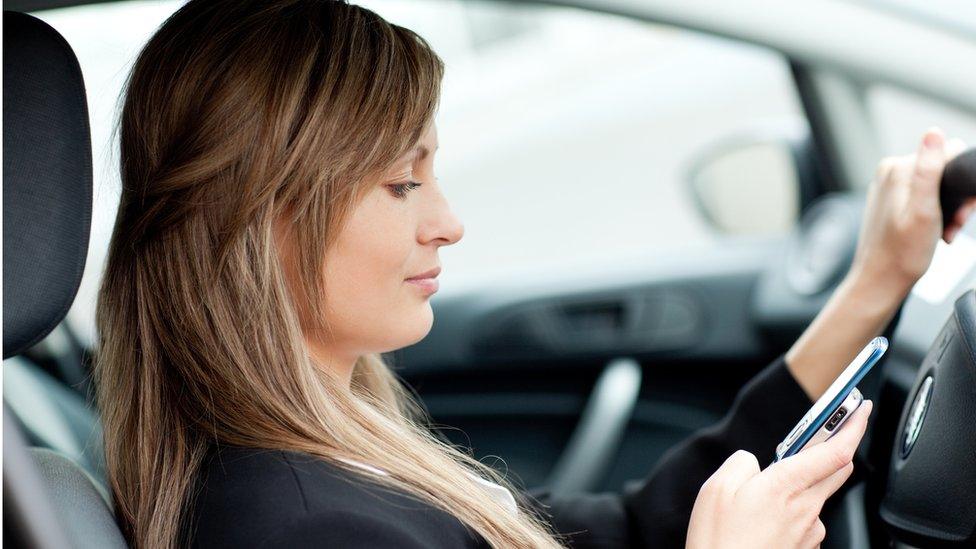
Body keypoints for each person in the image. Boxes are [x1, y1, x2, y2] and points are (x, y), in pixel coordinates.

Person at [93, 0, 976, 547]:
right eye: (403, 182)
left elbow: (633, 528)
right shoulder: (306, 525)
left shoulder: (342, 468)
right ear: (262, 220)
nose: (447, 221)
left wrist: (872, 285)